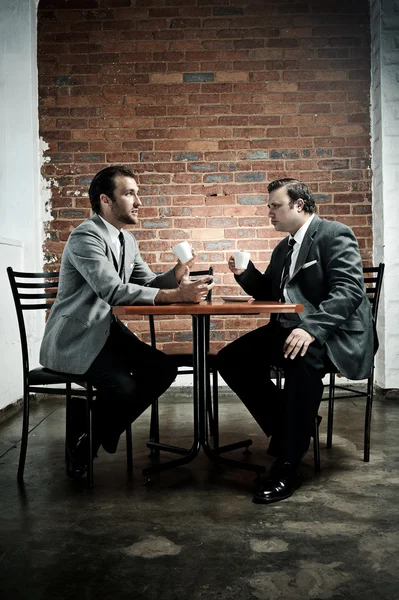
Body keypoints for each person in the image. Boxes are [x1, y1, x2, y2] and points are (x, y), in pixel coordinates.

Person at [40, 165, 213, 479]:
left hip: (107, 331)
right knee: (123, 387)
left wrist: (176, 272)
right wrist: (177, 296)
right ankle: (87, 442)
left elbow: (146, 282)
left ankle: (93, 430)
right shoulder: (85, 237)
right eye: (130, 193)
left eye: (138, 193)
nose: (139, 201)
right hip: (76, 336)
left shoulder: (127, 241)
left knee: (163, 369)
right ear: (106, 201)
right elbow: (112, 290)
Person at [216, 178, 374, 504]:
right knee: (230, 359)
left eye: (275, 206)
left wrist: (312, 328)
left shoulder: (334, 234)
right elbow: (268, 294)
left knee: (304, 358)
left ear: (298, 205)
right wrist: (244, 273)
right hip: (288, 329)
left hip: (330, 334)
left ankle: (288, 464)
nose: (270, 213)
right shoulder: (284, 247)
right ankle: (295, 427)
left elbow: (349, 292)